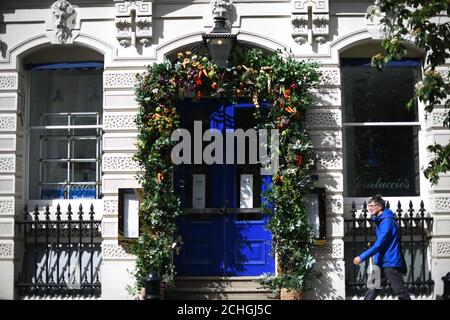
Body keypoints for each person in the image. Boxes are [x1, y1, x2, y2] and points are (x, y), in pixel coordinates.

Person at [353, 195, 411, 300]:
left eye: (371, 205)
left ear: (379, 207)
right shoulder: (381, 221)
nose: (369, 208)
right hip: (381, 262)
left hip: (390, 263)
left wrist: (361, 257)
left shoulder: (387, 222)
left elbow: (379, 244)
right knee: (372, 290)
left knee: (400, 292)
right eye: (369, 205)